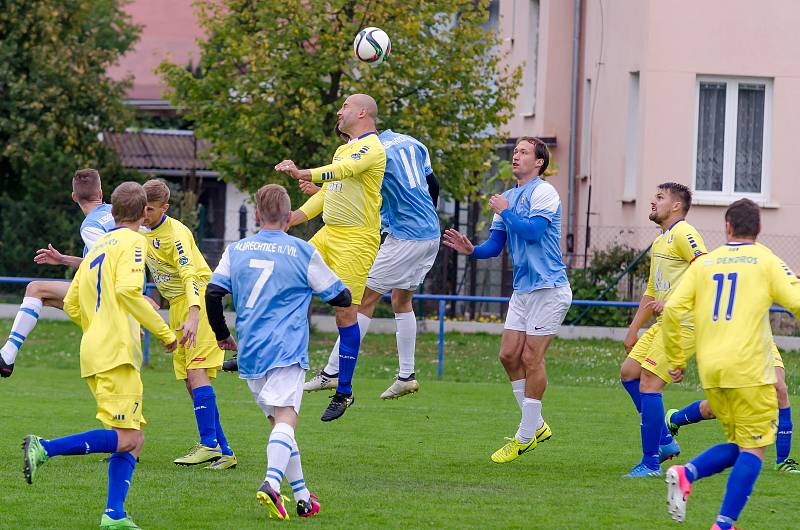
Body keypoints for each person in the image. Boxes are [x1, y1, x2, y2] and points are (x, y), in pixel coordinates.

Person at [22, 182, 177, 530]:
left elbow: (73, 303)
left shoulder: (96, 249)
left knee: (131, 438)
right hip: (115, 352)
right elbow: (128, 290)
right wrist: (164, 333)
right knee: (130, 438)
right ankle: (45, 447)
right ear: (142, 214)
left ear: (112, 212)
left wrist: (98, 325)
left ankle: (114, 514)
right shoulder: (135, 242)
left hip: (94, 349)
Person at [205, 184, 351, 520]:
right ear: (289, 218)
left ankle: (302, 496)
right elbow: (340, 297)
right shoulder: (302, 251)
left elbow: (213, 294)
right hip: (285, 349)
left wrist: (223, 335)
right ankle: (271, 483)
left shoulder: (236, 249)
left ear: (257, 215)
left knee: (279, 425)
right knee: (287, 419)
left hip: (251, 352)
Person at [663, 198, 800, 529]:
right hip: (750, 369)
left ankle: (686, 473)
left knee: (740, 445)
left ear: (726, 227)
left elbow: (671, 310)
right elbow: (796, 300)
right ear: (759, 230)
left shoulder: (704, 264)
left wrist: (676, 356)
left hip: (712, 370)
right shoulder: (766, 260)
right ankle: (724, 524)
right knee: (755, 449)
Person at [442, 137, 572, 463]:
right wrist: (472, 250)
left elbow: (532, 232)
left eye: (524, 152)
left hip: (549, 288)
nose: (516, 155)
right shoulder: (509, 198)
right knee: (507, 355)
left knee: (531, 358)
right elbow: (495, 245)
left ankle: (525, 436)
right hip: (523, 290)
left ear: (539, 162)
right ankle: (537, 424)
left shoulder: (544, 192)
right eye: (515, 151)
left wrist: (506, 209)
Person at [302, 128, 441, 399]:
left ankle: (330, 374)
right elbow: (432, 184)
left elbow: (362, 197)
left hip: (406, 236)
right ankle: (406, 376)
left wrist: (320, 186)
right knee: (402, 300)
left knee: (364, 297)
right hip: (428, 232)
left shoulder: (372, 152)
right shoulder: (410, 141)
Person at [275, 93, 386, 421]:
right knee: (286, 285)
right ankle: (263, 355)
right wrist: (295, 217)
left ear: (362, 112)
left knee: (344, 315)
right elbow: (329, 192)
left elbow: (344, 171)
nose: (339, 111)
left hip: (356, 239)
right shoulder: (342, 148)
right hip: (328, 234)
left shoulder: (372, 147)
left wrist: (302, 173)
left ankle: (344, 391)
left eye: (345, 107)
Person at [139, 179, 235, 469]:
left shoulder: (177, 234)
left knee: (197, 373)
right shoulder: (141, 232)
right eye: (142, 208)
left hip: (200, 301)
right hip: (179, 307)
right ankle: (224, 451)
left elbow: (189, 275)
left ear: (164, 208)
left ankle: (208, 445)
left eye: (150, 209)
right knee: (191, 385)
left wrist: (194, 314)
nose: (144, 214)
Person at [618, 183, 706, 477]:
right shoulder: (660, 242)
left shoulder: (685, 233)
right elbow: (653, 290)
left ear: (677, 206)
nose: (652, 202)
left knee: (649, 384)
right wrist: (633, 329)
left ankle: (651, 462)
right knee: (629, 373)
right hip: (662, 323)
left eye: (659, 197)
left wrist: (673, 304)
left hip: (684, 324)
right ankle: (665, 441)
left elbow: (704, 273)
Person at [0, 168, 116, 377]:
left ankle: (8, 355)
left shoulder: (91, 225)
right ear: (101, 194)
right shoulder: (118, 212)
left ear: (74, 197)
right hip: (114, 294)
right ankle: (7, 356)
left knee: (36, 290)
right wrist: (63, 260)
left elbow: (109, 264)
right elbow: (106, 259)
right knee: (39, 292)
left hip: (107, 298)